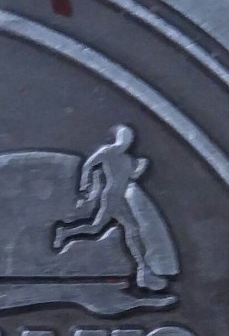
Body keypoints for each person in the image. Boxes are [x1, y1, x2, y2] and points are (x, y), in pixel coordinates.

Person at [52, 125, 173, 292]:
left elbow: (131, 177)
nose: (127, 142)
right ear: (120, 138)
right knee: (128, 229)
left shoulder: (127, 159)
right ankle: (143, 271)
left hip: (121, 197)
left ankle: (65, 232)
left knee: (99, 228)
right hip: (112, 197)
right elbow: (89, 165)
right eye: (125, 138)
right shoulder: (108, 152)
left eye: (129, 139)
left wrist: (140, 167)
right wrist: (85, 185)